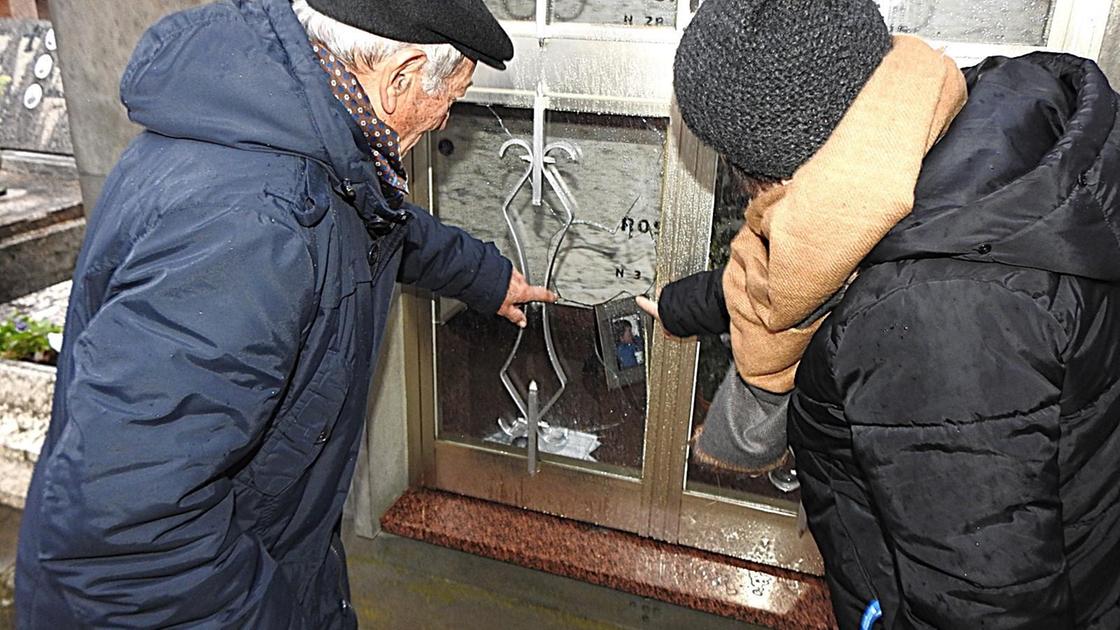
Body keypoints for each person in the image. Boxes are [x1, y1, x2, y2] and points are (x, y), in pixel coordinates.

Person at [15, 0, 554, 627]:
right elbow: (130, 538)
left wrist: (486, 278)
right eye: (452, 97)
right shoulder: (248, 229)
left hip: (261, 553)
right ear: (401, 76)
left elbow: (373, 225)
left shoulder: (293, 130)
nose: (445, 118)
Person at [640, 0, 1120, 627]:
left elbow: (981, 608)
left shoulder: (927, 324)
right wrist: (681, 305)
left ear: (761, 166)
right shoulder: (947, 117)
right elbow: (812, 270)